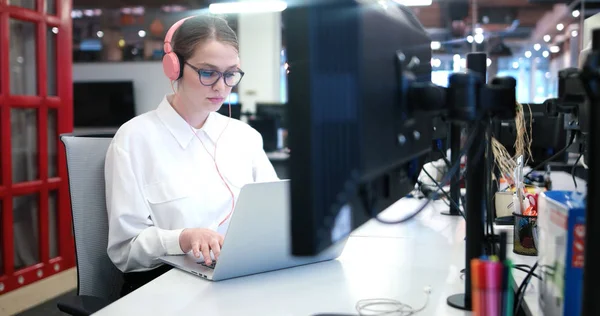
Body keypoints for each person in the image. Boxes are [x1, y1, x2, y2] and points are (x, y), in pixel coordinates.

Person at [104, 15, 278, 297]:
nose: (222, 87)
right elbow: (126, 250)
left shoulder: (244, 137)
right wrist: (182, 239)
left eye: (231, 73)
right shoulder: (134, 139)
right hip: (167, 287)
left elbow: (275, 214)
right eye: (208, 73)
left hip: (241, 280)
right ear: (174, 68)